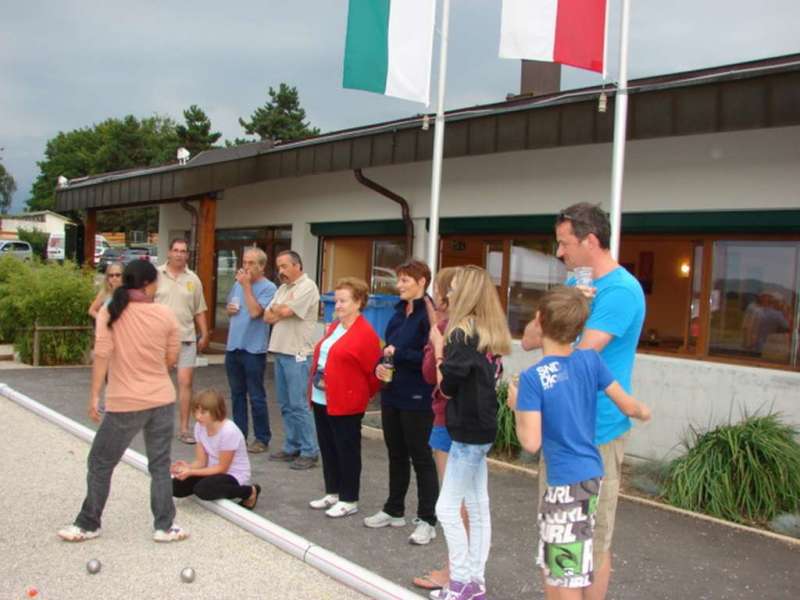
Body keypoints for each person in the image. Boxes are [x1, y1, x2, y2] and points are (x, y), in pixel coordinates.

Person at [522, 202, 646, 600]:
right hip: (561, 435)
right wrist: (568, 300)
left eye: (564, 243)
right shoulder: (573, 287)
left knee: (592, 540)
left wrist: (568, 311)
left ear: (590, 240)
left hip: (597, 435)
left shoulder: (621, 292)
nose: (559, 253)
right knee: (559, 537)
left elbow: (578, 356)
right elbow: (529, 339)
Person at [58, 260, 187, 543]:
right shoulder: (165, 314)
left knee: (101, 462)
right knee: (159, 464)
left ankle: (89, 523)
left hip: (125, 402)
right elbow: (170, 359)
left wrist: (94, 395)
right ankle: (165, 526)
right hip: (162, 398)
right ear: (149, 284)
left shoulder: (110, 311)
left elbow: (101, 355)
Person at [429, 265, 511, 600]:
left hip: (466, 429)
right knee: (478, 506)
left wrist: (438, 348)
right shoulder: (489, 331)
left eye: (455, 287)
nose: (448, 293)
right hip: (483, 427)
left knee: (447, 508)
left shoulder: (460, 334)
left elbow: (446, 386)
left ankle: (462, 583)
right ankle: (473, 582)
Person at [365, 259, 439, 546]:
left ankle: (427, 519)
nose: (399, 286)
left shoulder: (429, 314)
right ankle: (394, 509)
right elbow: (387, 349)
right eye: (399, 280)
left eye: (406, 280)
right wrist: (380, 366)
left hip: (418, 395)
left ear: (422, 282)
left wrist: (400, 355)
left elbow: (432, 357)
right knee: (395, 453)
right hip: (393, 392)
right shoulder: (398, 312)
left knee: (421, 456)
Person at [307, 277, 382, 518]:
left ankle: (349, 498)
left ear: (358, 302)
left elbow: (373, 373)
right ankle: (333, 492)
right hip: (322, 396)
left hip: (346, 401)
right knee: (328, 446)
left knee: (347, 449)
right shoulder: (334, 326)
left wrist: (358, 395)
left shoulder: (365, 334)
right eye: (336, 300)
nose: (337, 305)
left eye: (343, 300)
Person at [414, 266, 465, 591]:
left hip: (450, 421)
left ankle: (455, 572)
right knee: (466, 503)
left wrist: (436, 342)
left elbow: (435, 377)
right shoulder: (477, 327)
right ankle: (461, 569)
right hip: (465, 422)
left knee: (453, 503)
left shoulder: (450, 330)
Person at [263, 250, 321, 470]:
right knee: (286, 404)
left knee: (299, 404)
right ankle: (292, 446)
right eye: (279, 267)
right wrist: (280, 309)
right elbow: (267, 316)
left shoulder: (308, 286)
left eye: (285, 266)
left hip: (298, 353)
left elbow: (284, 312)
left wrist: (280, 309)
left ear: (297, 265)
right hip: (280, 350)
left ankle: (310, 450)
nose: (281, 272)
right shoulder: (283, 289)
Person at [156, 238, 209, 445]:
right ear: (169, 252)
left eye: (183, 251)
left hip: (186, 338)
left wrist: (204, 333)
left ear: (187, 255)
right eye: (176, 250)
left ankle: (185, 428)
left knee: (185, 383)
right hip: (160, 339)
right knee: (159, 382)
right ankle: (158, 426)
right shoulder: (156, 275)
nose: (179, 254)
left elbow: (199, 309)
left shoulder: (193, 279)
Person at [171, 389, 261, 509]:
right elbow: (201, 462)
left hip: (233, 474)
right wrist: (187, 467)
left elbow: (222, 468)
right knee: (174, 486)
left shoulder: (229, 431)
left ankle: (250, 491)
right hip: (212, 471)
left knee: (203, 490)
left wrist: (191, 472)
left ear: (216, 411)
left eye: (203, 412)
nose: (197, 416)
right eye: (196, 411)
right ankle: (208, 484)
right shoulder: (199, 427)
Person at [225, 247, 277, 453]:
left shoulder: (269, 288)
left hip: (254, 349)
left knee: (256, 395)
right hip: (233, 346)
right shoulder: (238, 284)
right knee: (237, 394)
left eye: (251, 263)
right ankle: (240, 436)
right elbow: (232, 307)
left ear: (262, 266)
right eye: (244, 262)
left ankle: (262, 438)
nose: (245, 267)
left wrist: (246, 286)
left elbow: (256, 312)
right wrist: (229, 309)